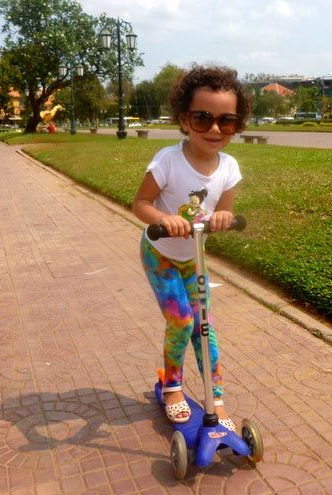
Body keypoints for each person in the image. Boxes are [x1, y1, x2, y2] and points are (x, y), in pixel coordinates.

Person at [132, 65, 252, 430]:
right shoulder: (168, 160)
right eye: (203, 118)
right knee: (182, 322)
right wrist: (163, 218)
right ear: (185, 119)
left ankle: (215, 398)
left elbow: (226, 210)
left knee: (204, 326)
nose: (215, 129)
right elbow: (141, 203)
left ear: (237, 123)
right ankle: (172, 387)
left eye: (226, 121)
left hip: (195, 260)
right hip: (162, 255)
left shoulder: (229, 167)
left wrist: (223, 218)